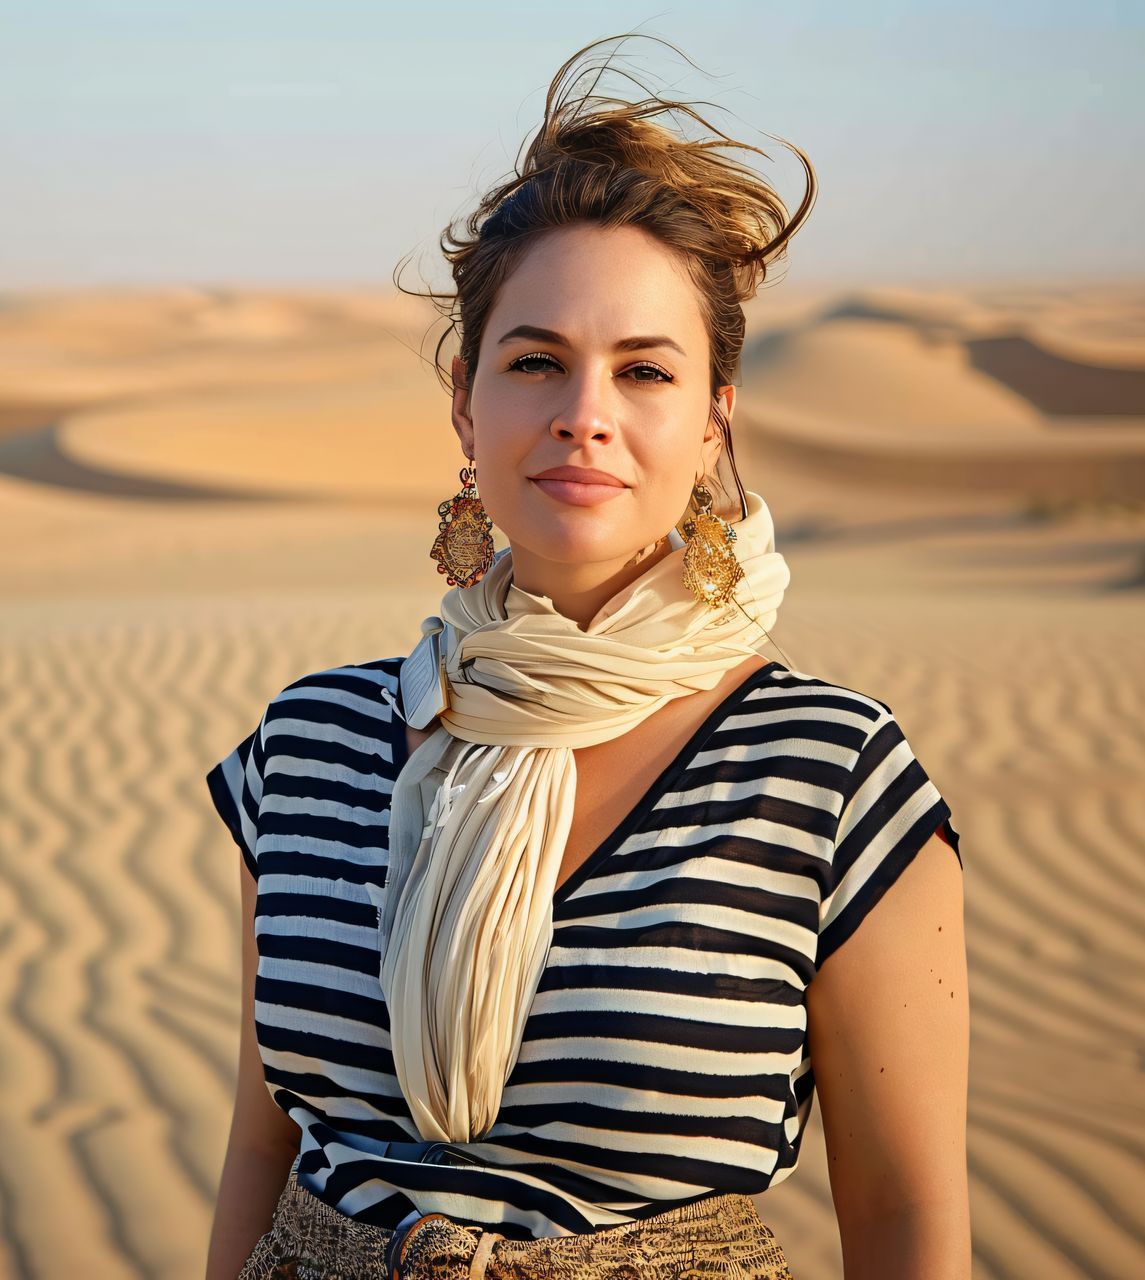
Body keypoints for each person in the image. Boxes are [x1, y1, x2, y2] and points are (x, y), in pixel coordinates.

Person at [204, 32, 969, 1280]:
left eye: (645, 369)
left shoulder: (832, 776)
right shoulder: (308, 746)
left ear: (714, 410)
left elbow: (904, 1217)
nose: (584, 411)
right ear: (466, 400)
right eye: (535, 361)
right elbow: (263, 1147)